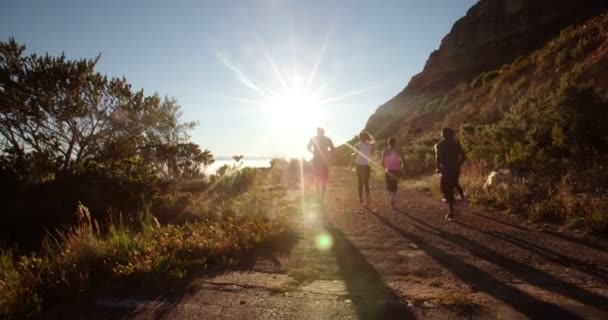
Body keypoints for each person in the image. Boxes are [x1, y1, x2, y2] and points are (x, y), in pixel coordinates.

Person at [435, 127, 466, 220]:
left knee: (446, 189)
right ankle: (463, 198)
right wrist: (458, 165)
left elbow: (438, 159)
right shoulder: (456, 144)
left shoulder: (439, 145)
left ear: (443, 134)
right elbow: (464, 157)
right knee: (454, 184)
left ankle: (452, 212)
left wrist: (438, 168)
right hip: (455, 169)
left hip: (446, 170)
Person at [307, 127, 335, 205]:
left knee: (318, 179)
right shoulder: (327, 139)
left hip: (317, 161)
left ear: (317, 132)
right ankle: (321, 198)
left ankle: (318, 197)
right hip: (324, 161)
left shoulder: (313, 138)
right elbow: (333, 149)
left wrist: (313, 152)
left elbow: (308, 148)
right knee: (323, 180)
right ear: (323, 132)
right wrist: (328, 155)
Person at [352, 131, 375, 206]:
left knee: (360, 182)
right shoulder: (371, 145)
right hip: (366, 165)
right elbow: (372, 155)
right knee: (366, 182)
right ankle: (368, 198)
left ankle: (361, 198)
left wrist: (352, 155)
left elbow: (356, 154)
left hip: (359, 165)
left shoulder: (356, 145)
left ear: (360, 137)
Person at [382, 137, 404, 209]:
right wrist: (402, 167)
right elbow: (402, 160)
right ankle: (393, 196)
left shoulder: (385, 151)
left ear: (388, 143)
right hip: (396, 169)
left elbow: (382, 161)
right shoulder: (399, 150)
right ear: (395, 143)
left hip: (388, 169)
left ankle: (391, 196)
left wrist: (384, 167)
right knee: (395, 183)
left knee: (389, 184)